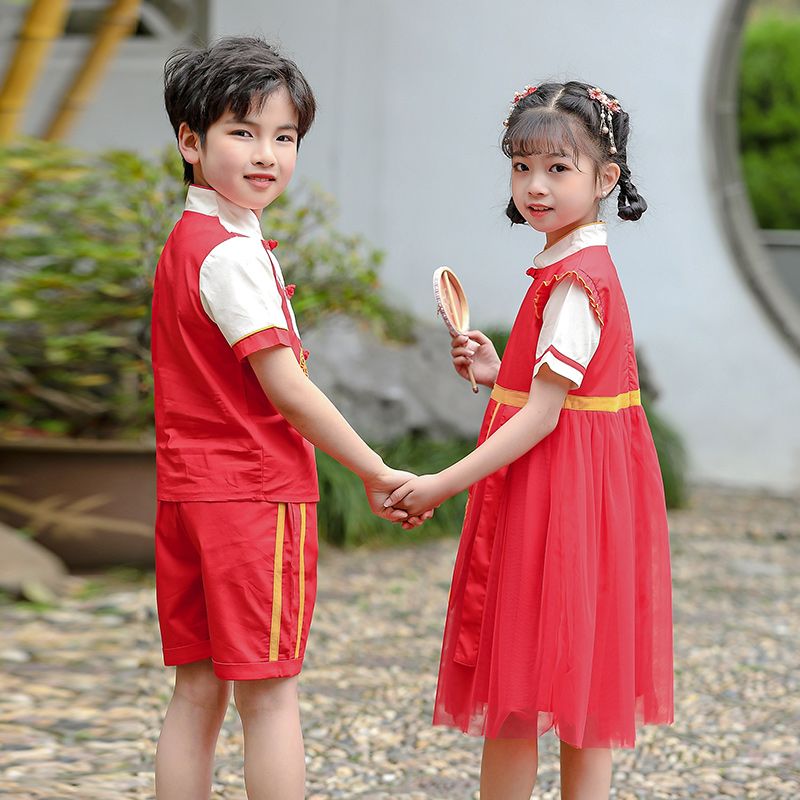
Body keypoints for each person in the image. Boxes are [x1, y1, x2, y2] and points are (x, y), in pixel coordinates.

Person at [151, 37, 426, 800]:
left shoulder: (189, 241)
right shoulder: (231, 256)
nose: (267, 154)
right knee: (269, 696)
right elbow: (290, 391)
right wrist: (373, 469)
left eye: (285, 136)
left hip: (190, 493)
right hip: (252, 498)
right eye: (243, 132)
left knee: (197, 690)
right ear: (190, 141)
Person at [386, 81, 674, 799]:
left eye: (558, 168)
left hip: (559, 502)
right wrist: (496, 369)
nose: (534, 186)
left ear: (606, 178)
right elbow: (561, 396)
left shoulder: (574, 282)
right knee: (584, 683)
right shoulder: (571, 268)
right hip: (581, 492)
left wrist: (439, 484)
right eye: (521, 166)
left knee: (517, 682)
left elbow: (545, 417)